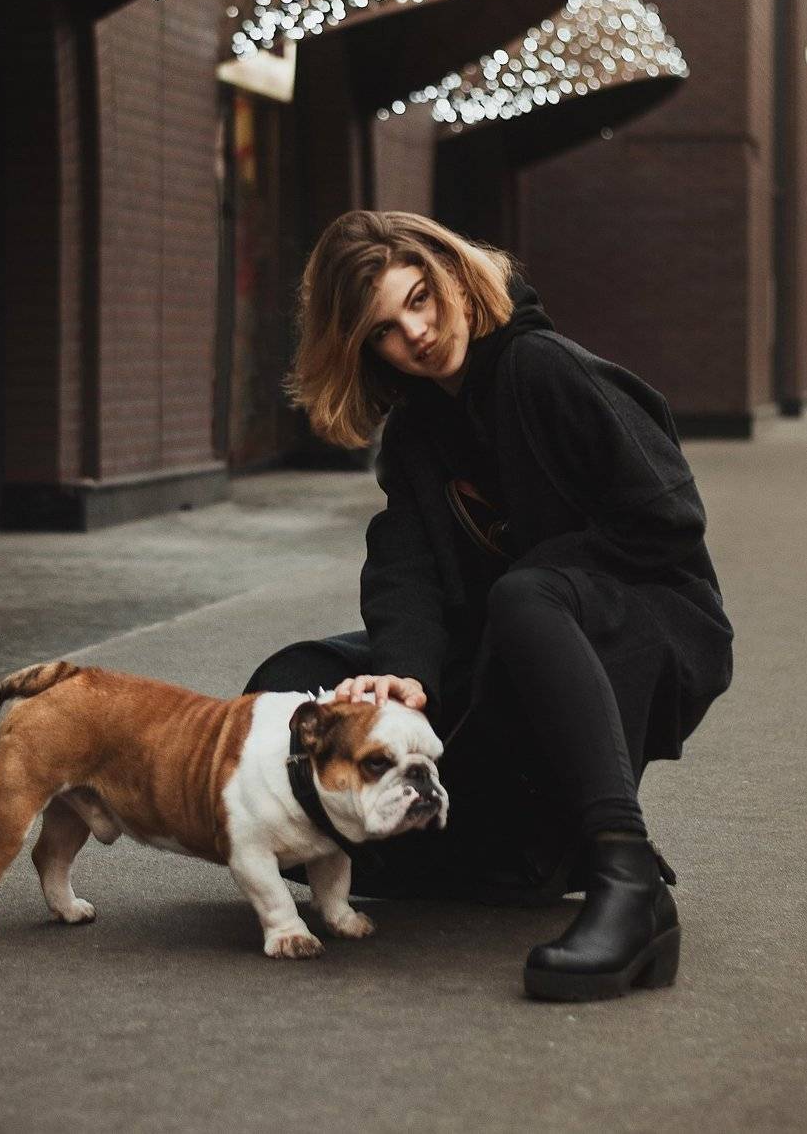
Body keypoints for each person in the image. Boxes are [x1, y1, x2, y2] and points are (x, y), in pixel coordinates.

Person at [243, 210, 734, 1002]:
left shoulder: (544, 368)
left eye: (420, 299)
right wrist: (400, 674)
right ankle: (515, 857)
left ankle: (625, 874)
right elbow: (403, 565)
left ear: (452, 277)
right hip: (510, 636)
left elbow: (666, 519)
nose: (417, 332)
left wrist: (528, 590)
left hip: (645, 617)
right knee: (297, 678)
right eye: (384, 330)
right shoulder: (413, 433)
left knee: (525, 593)